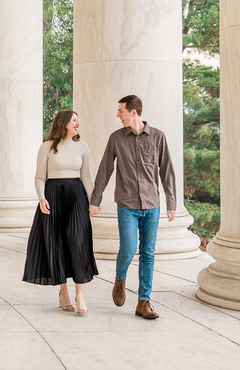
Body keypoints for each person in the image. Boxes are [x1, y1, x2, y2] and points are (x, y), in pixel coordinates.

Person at [89, 95, 176, 320]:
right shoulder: (116, 138)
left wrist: (171, 202)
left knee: (148, 253)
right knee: (127, 249)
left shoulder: (158, 137)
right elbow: (105, 169)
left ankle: (143, 301)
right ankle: (120, 279)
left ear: (133, 112)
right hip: (126, 204)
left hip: (151, 205)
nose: (118, 115)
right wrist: (95, 199)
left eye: (121, 111)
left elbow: (166, 170)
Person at [22, 110, 98, 315]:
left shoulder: (82, 147)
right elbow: (39, 177)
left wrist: (93, 201)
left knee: (78, 242)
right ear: (63, 123)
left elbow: (86, 177)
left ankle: (80, 294)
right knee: (56, 244)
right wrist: (41, 198)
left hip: (76, 198)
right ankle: (63, 291)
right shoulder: (46, 147)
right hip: (53, 197)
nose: (78, 124)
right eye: (74, 120)